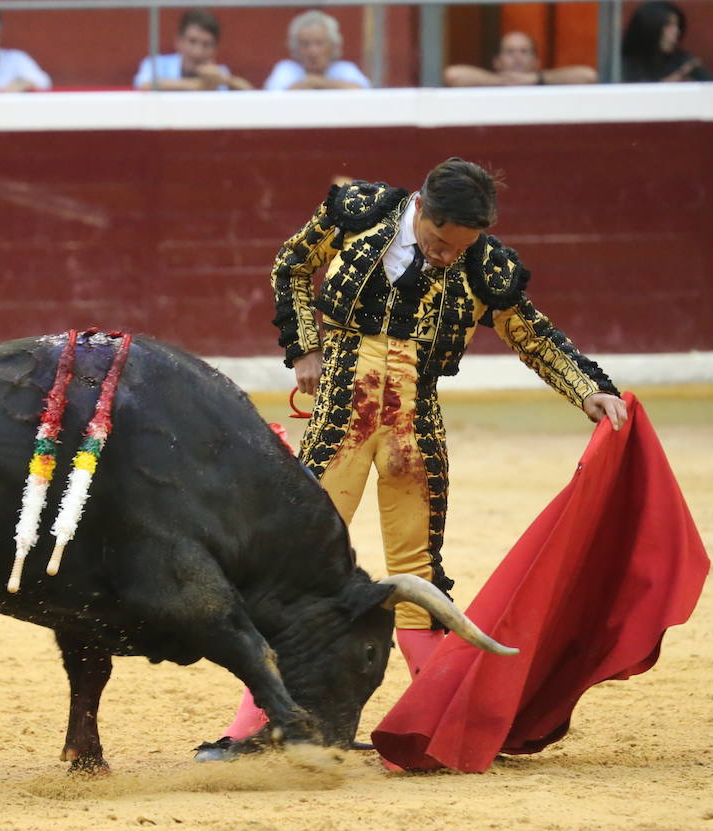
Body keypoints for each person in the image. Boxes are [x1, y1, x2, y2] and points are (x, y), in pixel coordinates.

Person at [203, 159, 626, 753]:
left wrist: (588, 389)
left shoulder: (484, 263)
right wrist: (304, 347)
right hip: (341, 412)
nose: (448, 256)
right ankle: (253, 726)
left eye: (461, 248)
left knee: (420, 571)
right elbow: (292, 265)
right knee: (298, 566)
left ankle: (437, 724)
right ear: (421, 209)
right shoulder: (360, 212)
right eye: (439, 242)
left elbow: (531, 333)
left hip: (415, 424)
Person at [132, 8, 251, 91]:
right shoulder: (156, 64)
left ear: (215, 49)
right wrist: (197, 86)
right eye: (192, 41)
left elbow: (249, 94)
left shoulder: (219, 72)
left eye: (206, 44)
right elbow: (144, 85)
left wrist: (228, 81)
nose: (197, 52)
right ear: (179, 41)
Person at [443, 31, 597, 87]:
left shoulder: (545, 84)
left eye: (524, 51)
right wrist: (499, 81)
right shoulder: (487, 85)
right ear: (496, 62)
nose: (517, 57)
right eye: (510, 52)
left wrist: (537, 79)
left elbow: (588, 76)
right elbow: (452, 75)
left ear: (536, 62)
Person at [264, 10, 370, 91]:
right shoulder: (286, 68)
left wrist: (319, 82)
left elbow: (364, 93)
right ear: (295, 48)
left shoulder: (344, 68)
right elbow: (275, 95)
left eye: (319, 43)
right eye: (305, 44)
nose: (313, 52)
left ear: (333, 46)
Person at [620, 1, 711, 82]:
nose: (676, 31)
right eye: (668, 25)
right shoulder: (625, 65)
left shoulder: (683, 62)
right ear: (649, 28)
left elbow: (711, 88)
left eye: (677, 25)